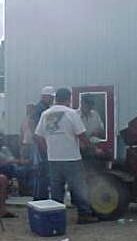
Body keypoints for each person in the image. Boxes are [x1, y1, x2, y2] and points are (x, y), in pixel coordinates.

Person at [35, 87, 98, 224]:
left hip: (53, 159)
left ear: (56, 98)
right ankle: (84, 215)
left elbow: (38, 136)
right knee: (78, 187)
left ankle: (56, 218)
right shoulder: (71, 113)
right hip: (71, 158)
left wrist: (47, 151)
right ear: (68, 99)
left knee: (56, 190)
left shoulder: (45, 114)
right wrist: (92, 148)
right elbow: (81, 135)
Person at [32, 86, 55, 199]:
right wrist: (44, 148)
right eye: (50, 97)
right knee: (43, 172)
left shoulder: (41, 108)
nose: (52, 99)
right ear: (44, 96)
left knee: (40, 173)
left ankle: (38, 197)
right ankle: (41, 198)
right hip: (41, 143)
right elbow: (41, 130)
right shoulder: (42, 110)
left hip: (39, 142)